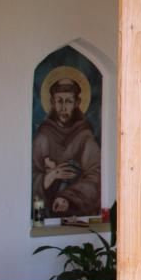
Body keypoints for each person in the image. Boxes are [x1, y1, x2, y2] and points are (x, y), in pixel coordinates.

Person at [32, 78, 101, 217]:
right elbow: (29, 175)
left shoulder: (84, 137)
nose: (63, 108)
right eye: (59, 101)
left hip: (76, 211)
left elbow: (96, 175)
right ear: (52, 102)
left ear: (77, 103)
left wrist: (68, 197)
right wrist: (50, 176)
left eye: (69, 101)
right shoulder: (43, 137)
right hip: (46, 214)